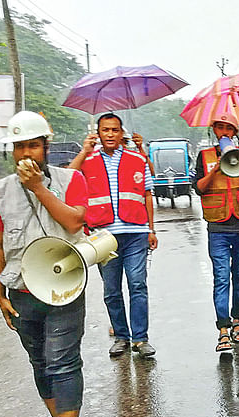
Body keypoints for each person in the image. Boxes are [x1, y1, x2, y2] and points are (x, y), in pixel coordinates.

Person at [0, 111, 88, 417]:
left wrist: (38, 188)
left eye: (33, 145)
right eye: (19, 147)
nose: (26, 154)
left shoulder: (71, 181)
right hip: (23, 291)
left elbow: (74, 222)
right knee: (40, 360)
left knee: (63, 359)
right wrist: (0, 294)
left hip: (64, 288)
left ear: (46, 146)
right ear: (10, 151)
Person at [69, 113, 158, 358]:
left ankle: (141, 338)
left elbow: (148, 194)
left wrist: (151, 229)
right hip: (103, 237)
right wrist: (83, 152)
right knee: (111, 290)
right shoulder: (88, 160)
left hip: (136, 233)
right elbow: (67, 180)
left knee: (138, 284)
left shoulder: (136, 159)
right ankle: (121, 336)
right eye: (105, 130)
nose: (110, 134)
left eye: (115, 130)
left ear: (122, 134)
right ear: (98, 133)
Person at [193, 112, 239, 352]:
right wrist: (216, 169)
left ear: (235, 131)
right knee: (221, 278)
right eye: (220, 128)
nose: (224, 132)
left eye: (228, 128)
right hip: (218, 228)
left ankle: (237, 321)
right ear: (214, 131)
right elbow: (199, 189)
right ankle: (222, 329)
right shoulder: (205, 156)